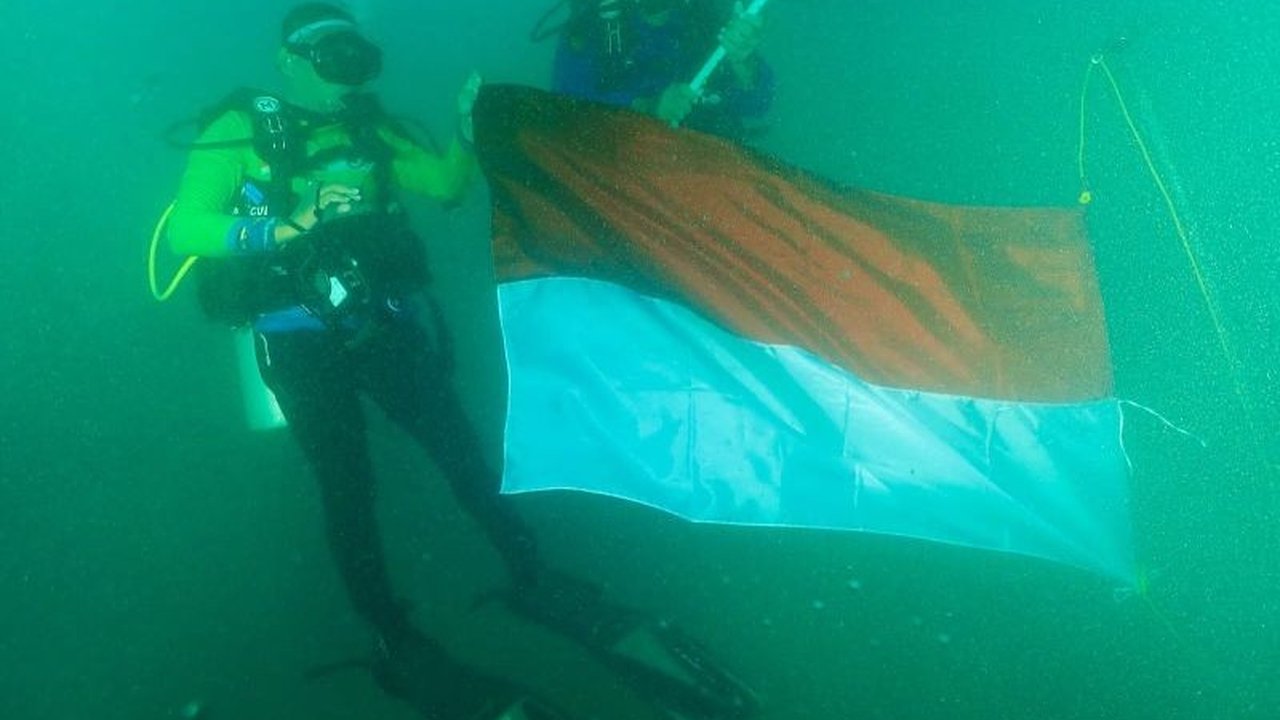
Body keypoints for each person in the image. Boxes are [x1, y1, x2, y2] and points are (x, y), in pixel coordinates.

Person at [164, 4, 756, 719]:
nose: (343, 67)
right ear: (288, 60)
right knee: (346, 486)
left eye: (352, 51)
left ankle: (532, 574)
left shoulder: (369, 127)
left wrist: (466, 128)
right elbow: (188, 227)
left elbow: (443, 186)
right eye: (324, 54)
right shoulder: (238, 129)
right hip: (294, 339)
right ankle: (392, 635)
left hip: (379, 327)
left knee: (464, 456)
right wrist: (283, 223)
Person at [548, 0, 774, 138]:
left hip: (701, 163)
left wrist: (741, 60)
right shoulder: (593, 24)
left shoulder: (706, 21)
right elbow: (566, 102)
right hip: (614, 162)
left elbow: (758, 104)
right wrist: (647, 107)